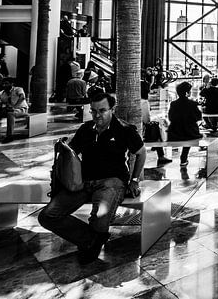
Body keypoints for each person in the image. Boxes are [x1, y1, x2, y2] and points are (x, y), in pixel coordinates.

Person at [38, 92, 146, 264]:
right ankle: (91, 240)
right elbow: (71, 154)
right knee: (47, 216)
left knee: (100, 216)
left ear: (112, 109)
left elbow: (141, 153)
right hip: (83, 182)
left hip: (112, 181)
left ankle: (91, 242)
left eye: (102, 110)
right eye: (93, 111)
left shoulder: (125, 130)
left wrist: (134, 180)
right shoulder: (86, 129)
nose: (97, 115)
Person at [167, 81, 203, 167]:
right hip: (190, 133)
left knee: (185, 133)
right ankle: (184, 157)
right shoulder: (192, 104)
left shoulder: (173, 104)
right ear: (187, 92)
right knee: (189, 136)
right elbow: (198, 117)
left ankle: (183, 158)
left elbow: (170, 117)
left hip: (175, 133)